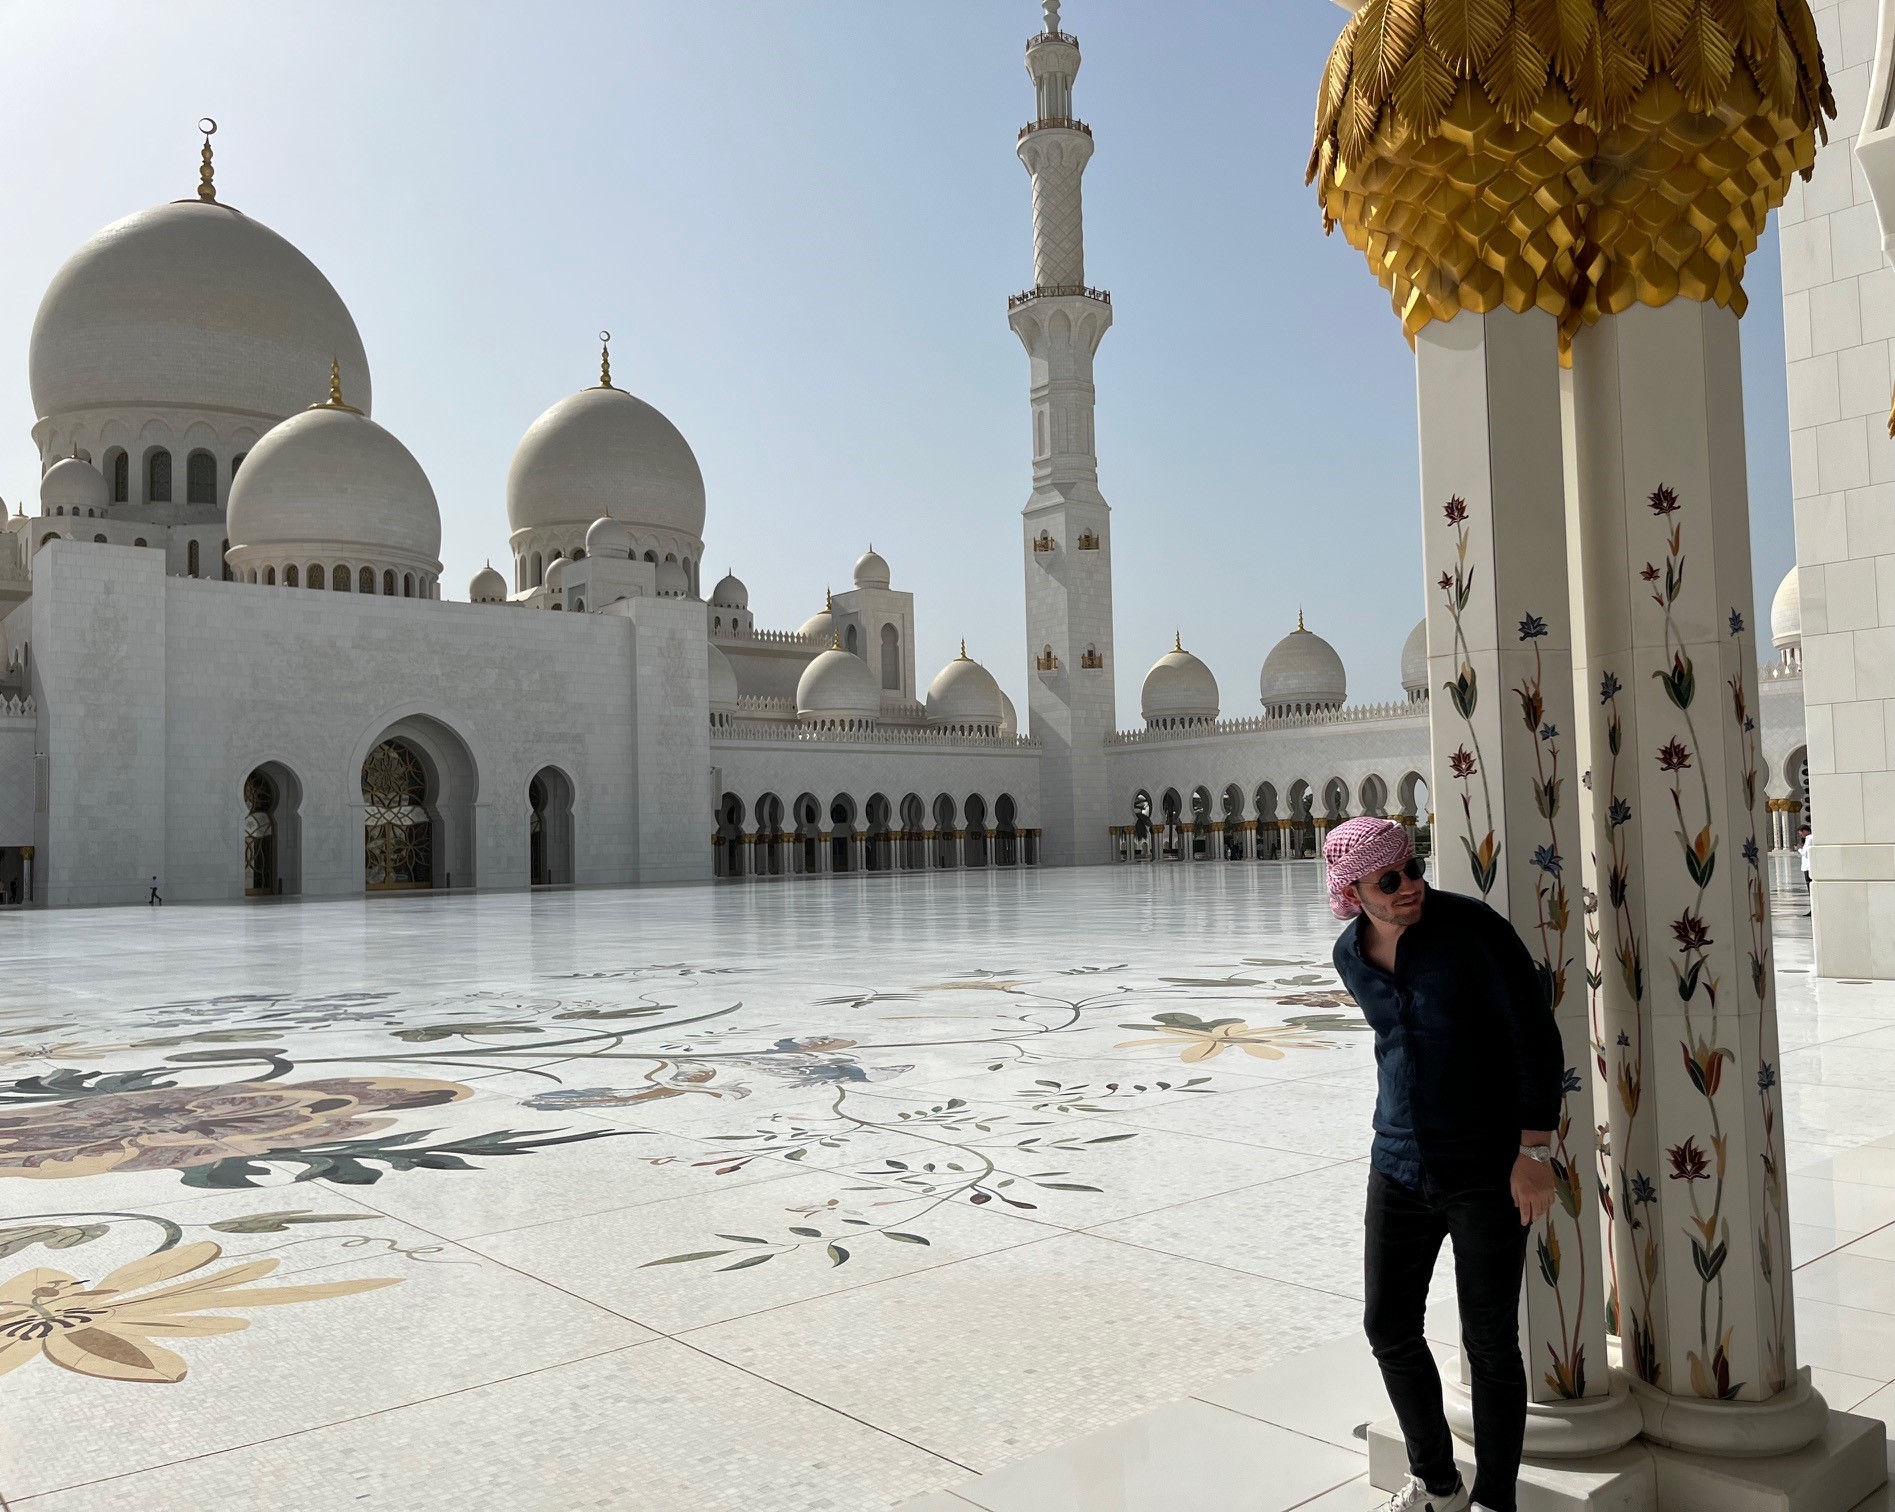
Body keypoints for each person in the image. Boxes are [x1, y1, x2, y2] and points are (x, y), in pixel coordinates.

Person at [1324, 817, 1563, 1512]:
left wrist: (1531, 1150)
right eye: (1389, 880)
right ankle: (1438, 1484)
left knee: (1488, 1341)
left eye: (1413, 867)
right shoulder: (1350, 955)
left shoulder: (1471, 931)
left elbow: (1532, 1037)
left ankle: (1494, 1499)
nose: (1410, 887)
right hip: (1397, 1161)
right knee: (1387, 1327)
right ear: (1351, 891)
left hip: (1486, 1165)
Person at [1798, 824, 1812, 916]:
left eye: (1801, 833)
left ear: (1805, 831)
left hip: (1808, 867)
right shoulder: (1809, 839)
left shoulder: (1809, 838)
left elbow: (1805, 853)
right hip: (1806, 866)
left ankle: (1813, 909)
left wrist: (1799, 849)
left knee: (1810, 889)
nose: (1801, 835)